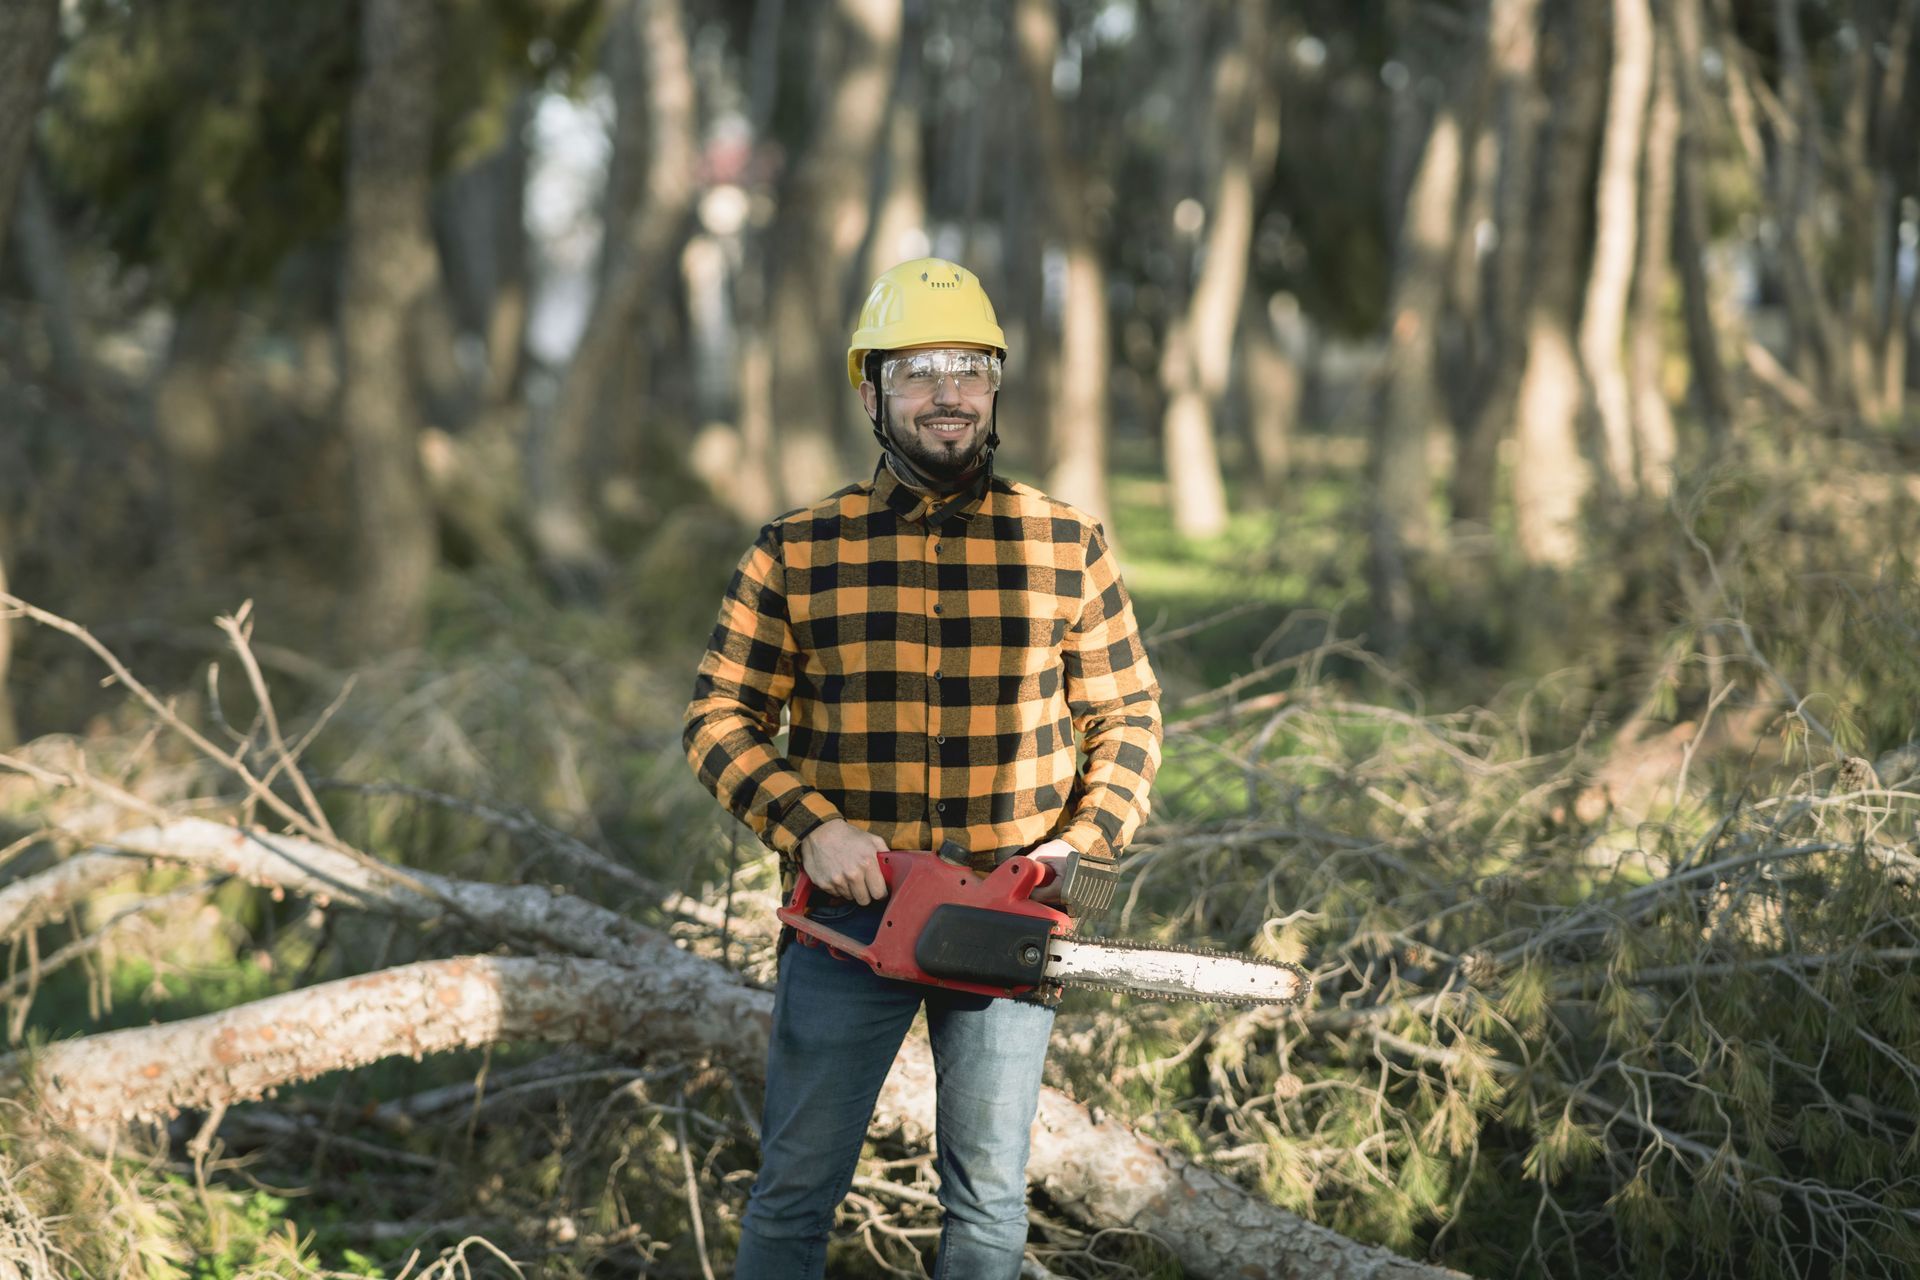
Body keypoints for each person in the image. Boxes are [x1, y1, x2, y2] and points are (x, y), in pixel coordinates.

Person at [683, 257, 1162, 1280]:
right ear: (872, 391)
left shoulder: (1065, 542)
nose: (948, 391)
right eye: (918, 370)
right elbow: (719, 714)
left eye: (970, 367)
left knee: (987, 1203)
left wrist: (1079, 847)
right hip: (851, 911)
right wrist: (811, 826)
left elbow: (1126, 715)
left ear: (994, 384)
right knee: (796, 1189)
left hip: (1008, 910)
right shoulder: (798, 550)